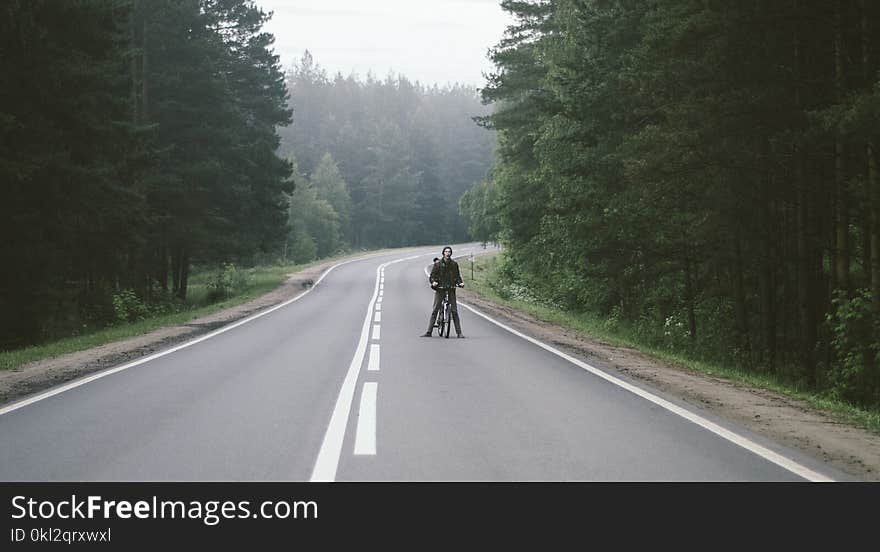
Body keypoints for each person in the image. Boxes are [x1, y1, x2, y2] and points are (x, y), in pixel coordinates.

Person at [421, 246, 465, 338]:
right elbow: (432, 276)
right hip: (440, 288)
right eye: (446, 251)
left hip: (451, 288)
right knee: (435, 309)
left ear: (451, 253)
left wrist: (460, 283)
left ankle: (459, 333)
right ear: (443, 253)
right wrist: (433, 282)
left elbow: (457, 276)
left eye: (449, 251)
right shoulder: (438, 264)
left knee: (454, 311)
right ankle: (429, 331)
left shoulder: (454, 264)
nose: (448, 253)